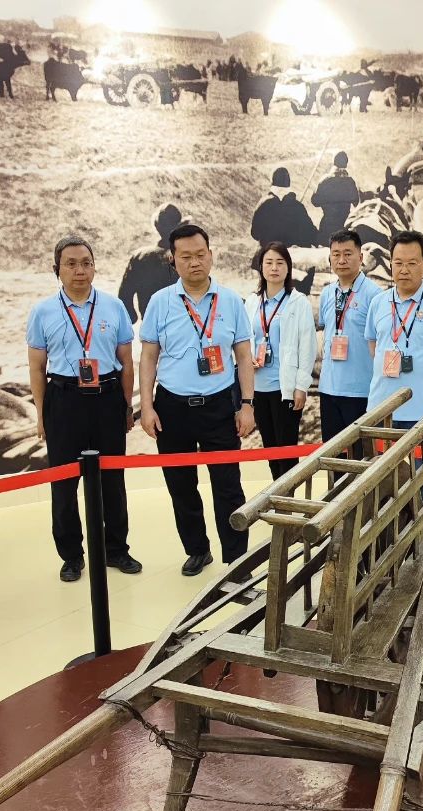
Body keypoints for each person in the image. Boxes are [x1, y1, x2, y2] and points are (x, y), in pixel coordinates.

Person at [139, 223, 255, 576]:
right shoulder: (160, 302)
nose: (194, 262)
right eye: (186, 256)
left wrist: (247, 404)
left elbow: (244, 357)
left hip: (219, 406)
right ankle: (197, 550)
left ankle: (237, 561)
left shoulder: (231, 301)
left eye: (200, 255)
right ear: (173, 260)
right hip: (172, 408)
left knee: (228, 486)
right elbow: (148, 358)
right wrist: (147, 406)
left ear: (211, 256)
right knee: (181, 485)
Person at [27, 235, 140, 582]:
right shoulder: (43, 311)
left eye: (86, 263)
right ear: (57, 270)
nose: (80, 270)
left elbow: (126, 362)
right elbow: (36, 368)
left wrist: (125, 406)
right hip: (64, 400)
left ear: (94, 267)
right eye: (71, 264)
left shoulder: (113, 307)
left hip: (107, 398)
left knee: (112, 481)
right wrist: (42, 415)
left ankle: (116, 550)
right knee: (64, 484)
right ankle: (72, 556)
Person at [365, 230, 423, 430]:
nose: (404, 270)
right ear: (391, 264)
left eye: (412, 263)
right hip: (380, 409)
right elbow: (373, 347)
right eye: (398, 263)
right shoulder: (378, 302)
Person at [247, 242, 316, 479]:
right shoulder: (252, 302)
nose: (274, 268)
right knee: (270, 448)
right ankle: (277, 493)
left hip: (284, 388)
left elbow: (307, 347)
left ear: (288, 268)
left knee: (286, 449)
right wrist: (248, 358)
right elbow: (245, 339)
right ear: (261, 267)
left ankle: (288, 497)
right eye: (269, 262)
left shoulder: (298, 302)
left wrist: (301, 386)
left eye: (280, 263)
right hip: (258, 387)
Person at [317, 229, 378, 441]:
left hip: (361, 391)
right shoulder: (327, 293)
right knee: (332, 454)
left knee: (361, 455)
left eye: (347, 254)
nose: (341, 260)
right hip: (329, 389)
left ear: (360, 258)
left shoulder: (374, 295)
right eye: (336, 254)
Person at [119, 203, 182, 324]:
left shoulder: (139, 256)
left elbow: (125, 293)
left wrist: (131, 316)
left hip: (150, 324)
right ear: (179, 227)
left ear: (156, 226)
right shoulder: (186, 257)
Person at [250, 168, 318, 248]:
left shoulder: (263, 204)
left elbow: (255, 233)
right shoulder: (298, 207)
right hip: (293, 253)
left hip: (270, 251)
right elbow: (310, 232)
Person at [311, 152, 360, 240]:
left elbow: (315, 201)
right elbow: (357, 202)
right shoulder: (350, 182)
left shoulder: (325, 180)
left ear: (334, 162)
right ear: (346, 164)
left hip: (327, 226)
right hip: (343, 226)